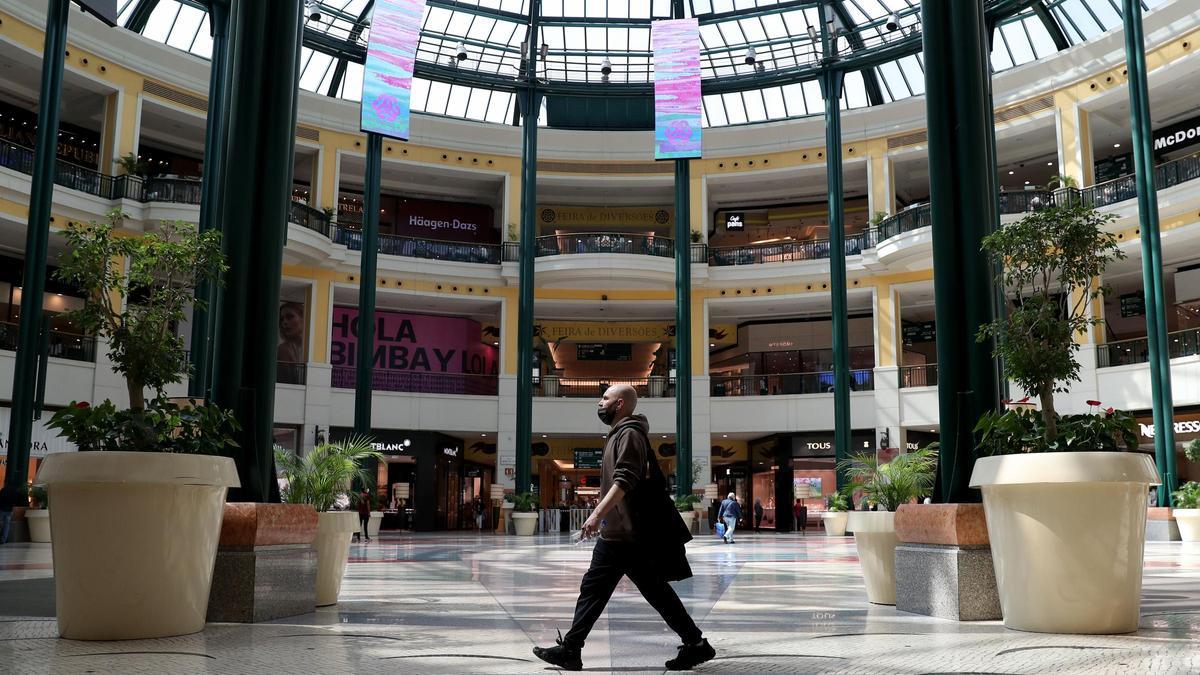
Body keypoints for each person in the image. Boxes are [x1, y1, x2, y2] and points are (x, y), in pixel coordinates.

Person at [533, 384, 715, 672]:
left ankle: (572, 649)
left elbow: (625, 479)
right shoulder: (621, 433)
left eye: (605, 398)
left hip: (628, 535)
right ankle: (695, 644)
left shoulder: (629, 434)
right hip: (621, 533)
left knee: (611, 590)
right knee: (631, 591)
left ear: (619, 404)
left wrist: (596, 515)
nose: (600, 403)